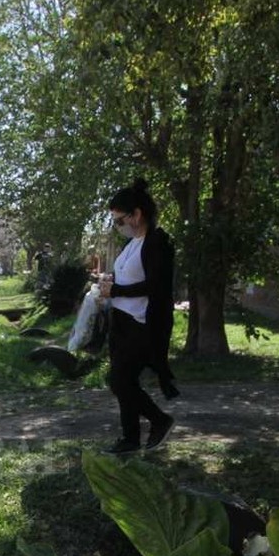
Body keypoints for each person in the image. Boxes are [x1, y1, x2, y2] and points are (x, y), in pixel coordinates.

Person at [98, 178, 178, 454]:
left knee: (120, 381)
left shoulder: (157, 242)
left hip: (143, 326)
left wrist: (116, 289)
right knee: (122, 382)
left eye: (120, 221)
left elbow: (156, 287)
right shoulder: (132, 244)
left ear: (137, 215)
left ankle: (160, 420)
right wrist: (110, 283)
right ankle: (130, 439)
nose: (117, 227)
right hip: (122, 324)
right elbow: (128, 279)